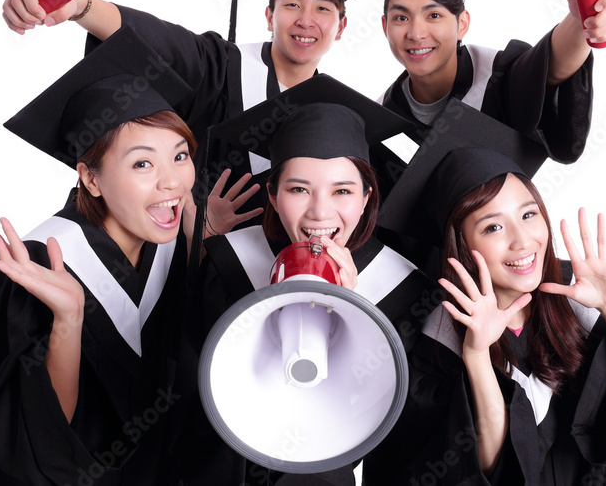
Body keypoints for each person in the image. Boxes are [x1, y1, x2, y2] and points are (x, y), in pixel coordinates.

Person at [0, 34, 199, 484]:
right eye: (142, 164)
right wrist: (69, 318)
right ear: (90, 179)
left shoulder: (165, 240)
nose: (172, 181)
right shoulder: (38, 268)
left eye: (180, 155)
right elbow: (42, 429)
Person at [368, 101, 606, 485]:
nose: (522, 241)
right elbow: (478, 471)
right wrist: (477, 354)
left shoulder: (586, 300)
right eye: (492, 228)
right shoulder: (429, 346)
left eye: (529, 214)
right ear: (462, 246)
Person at [1, 0, 368, 220]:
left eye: (323, 9)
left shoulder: (334, 114)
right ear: (270, 16)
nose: (306, 20)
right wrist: (81, 5)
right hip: (174, 259)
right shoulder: (219, 66)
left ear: (341, 27)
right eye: (292, 4)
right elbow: (158, 41)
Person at [178, 75, 434, 486]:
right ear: (274, 194)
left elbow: (395, 436)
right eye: (299, 189)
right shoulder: (224, 263)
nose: (320, 213)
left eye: (342, 191)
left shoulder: (405, 290)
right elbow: (192, 407)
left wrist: (353, 309)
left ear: (367, 196)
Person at [354, 0, 606, 164]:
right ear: (384, 27)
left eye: (434, 15)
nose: (416, 33)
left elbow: (548, 68)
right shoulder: (382, 118)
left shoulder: (497, 74)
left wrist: (581, 17)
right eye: (401, 17)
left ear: (462, 23)